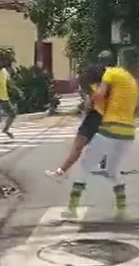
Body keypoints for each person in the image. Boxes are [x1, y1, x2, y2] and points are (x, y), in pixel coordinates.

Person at [62, 50, 139, 219]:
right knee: (113, 170)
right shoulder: (130, 79)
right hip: (128, 132)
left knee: (84, 166)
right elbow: (137, 106)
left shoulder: (110, 73)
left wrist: (91, 104)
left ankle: (72, 208)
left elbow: (100, 94)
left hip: (110, 129)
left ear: (103, 64)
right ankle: (122, 209)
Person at [46, 52, 113, 180]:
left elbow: (90, 100)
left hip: (94, 116)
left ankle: (60, 172)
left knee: (77, 147)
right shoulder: (113, 79)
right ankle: (105, 161)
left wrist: (87, 103)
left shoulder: (96, 82)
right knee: (99, 141)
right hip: (105, 117)